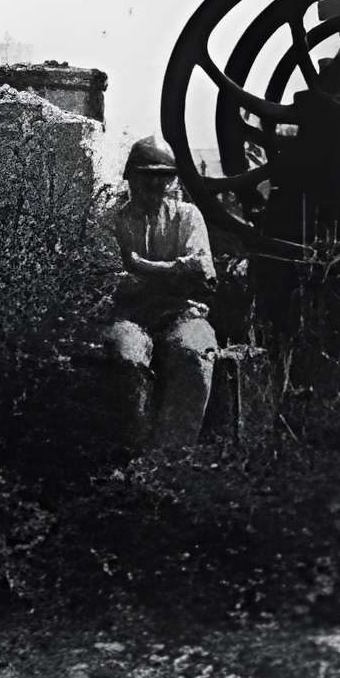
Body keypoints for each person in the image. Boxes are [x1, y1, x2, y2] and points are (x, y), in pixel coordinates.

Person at [99, 136, 219, 453]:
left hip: (182, 313)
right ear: (129, 177)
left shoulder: (187, 217)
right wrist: (172, 274)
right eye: (145, 176)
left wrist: (143, 267)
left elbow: (202, 273)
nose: (154, 185)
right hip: (129, 316)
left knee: (193, 352)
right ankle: (132, 456)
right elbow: (111, 280)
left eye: (162, 177)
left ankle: (173, 455)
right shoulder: (112, 220)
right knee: (127, 359)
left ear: (172, 180)